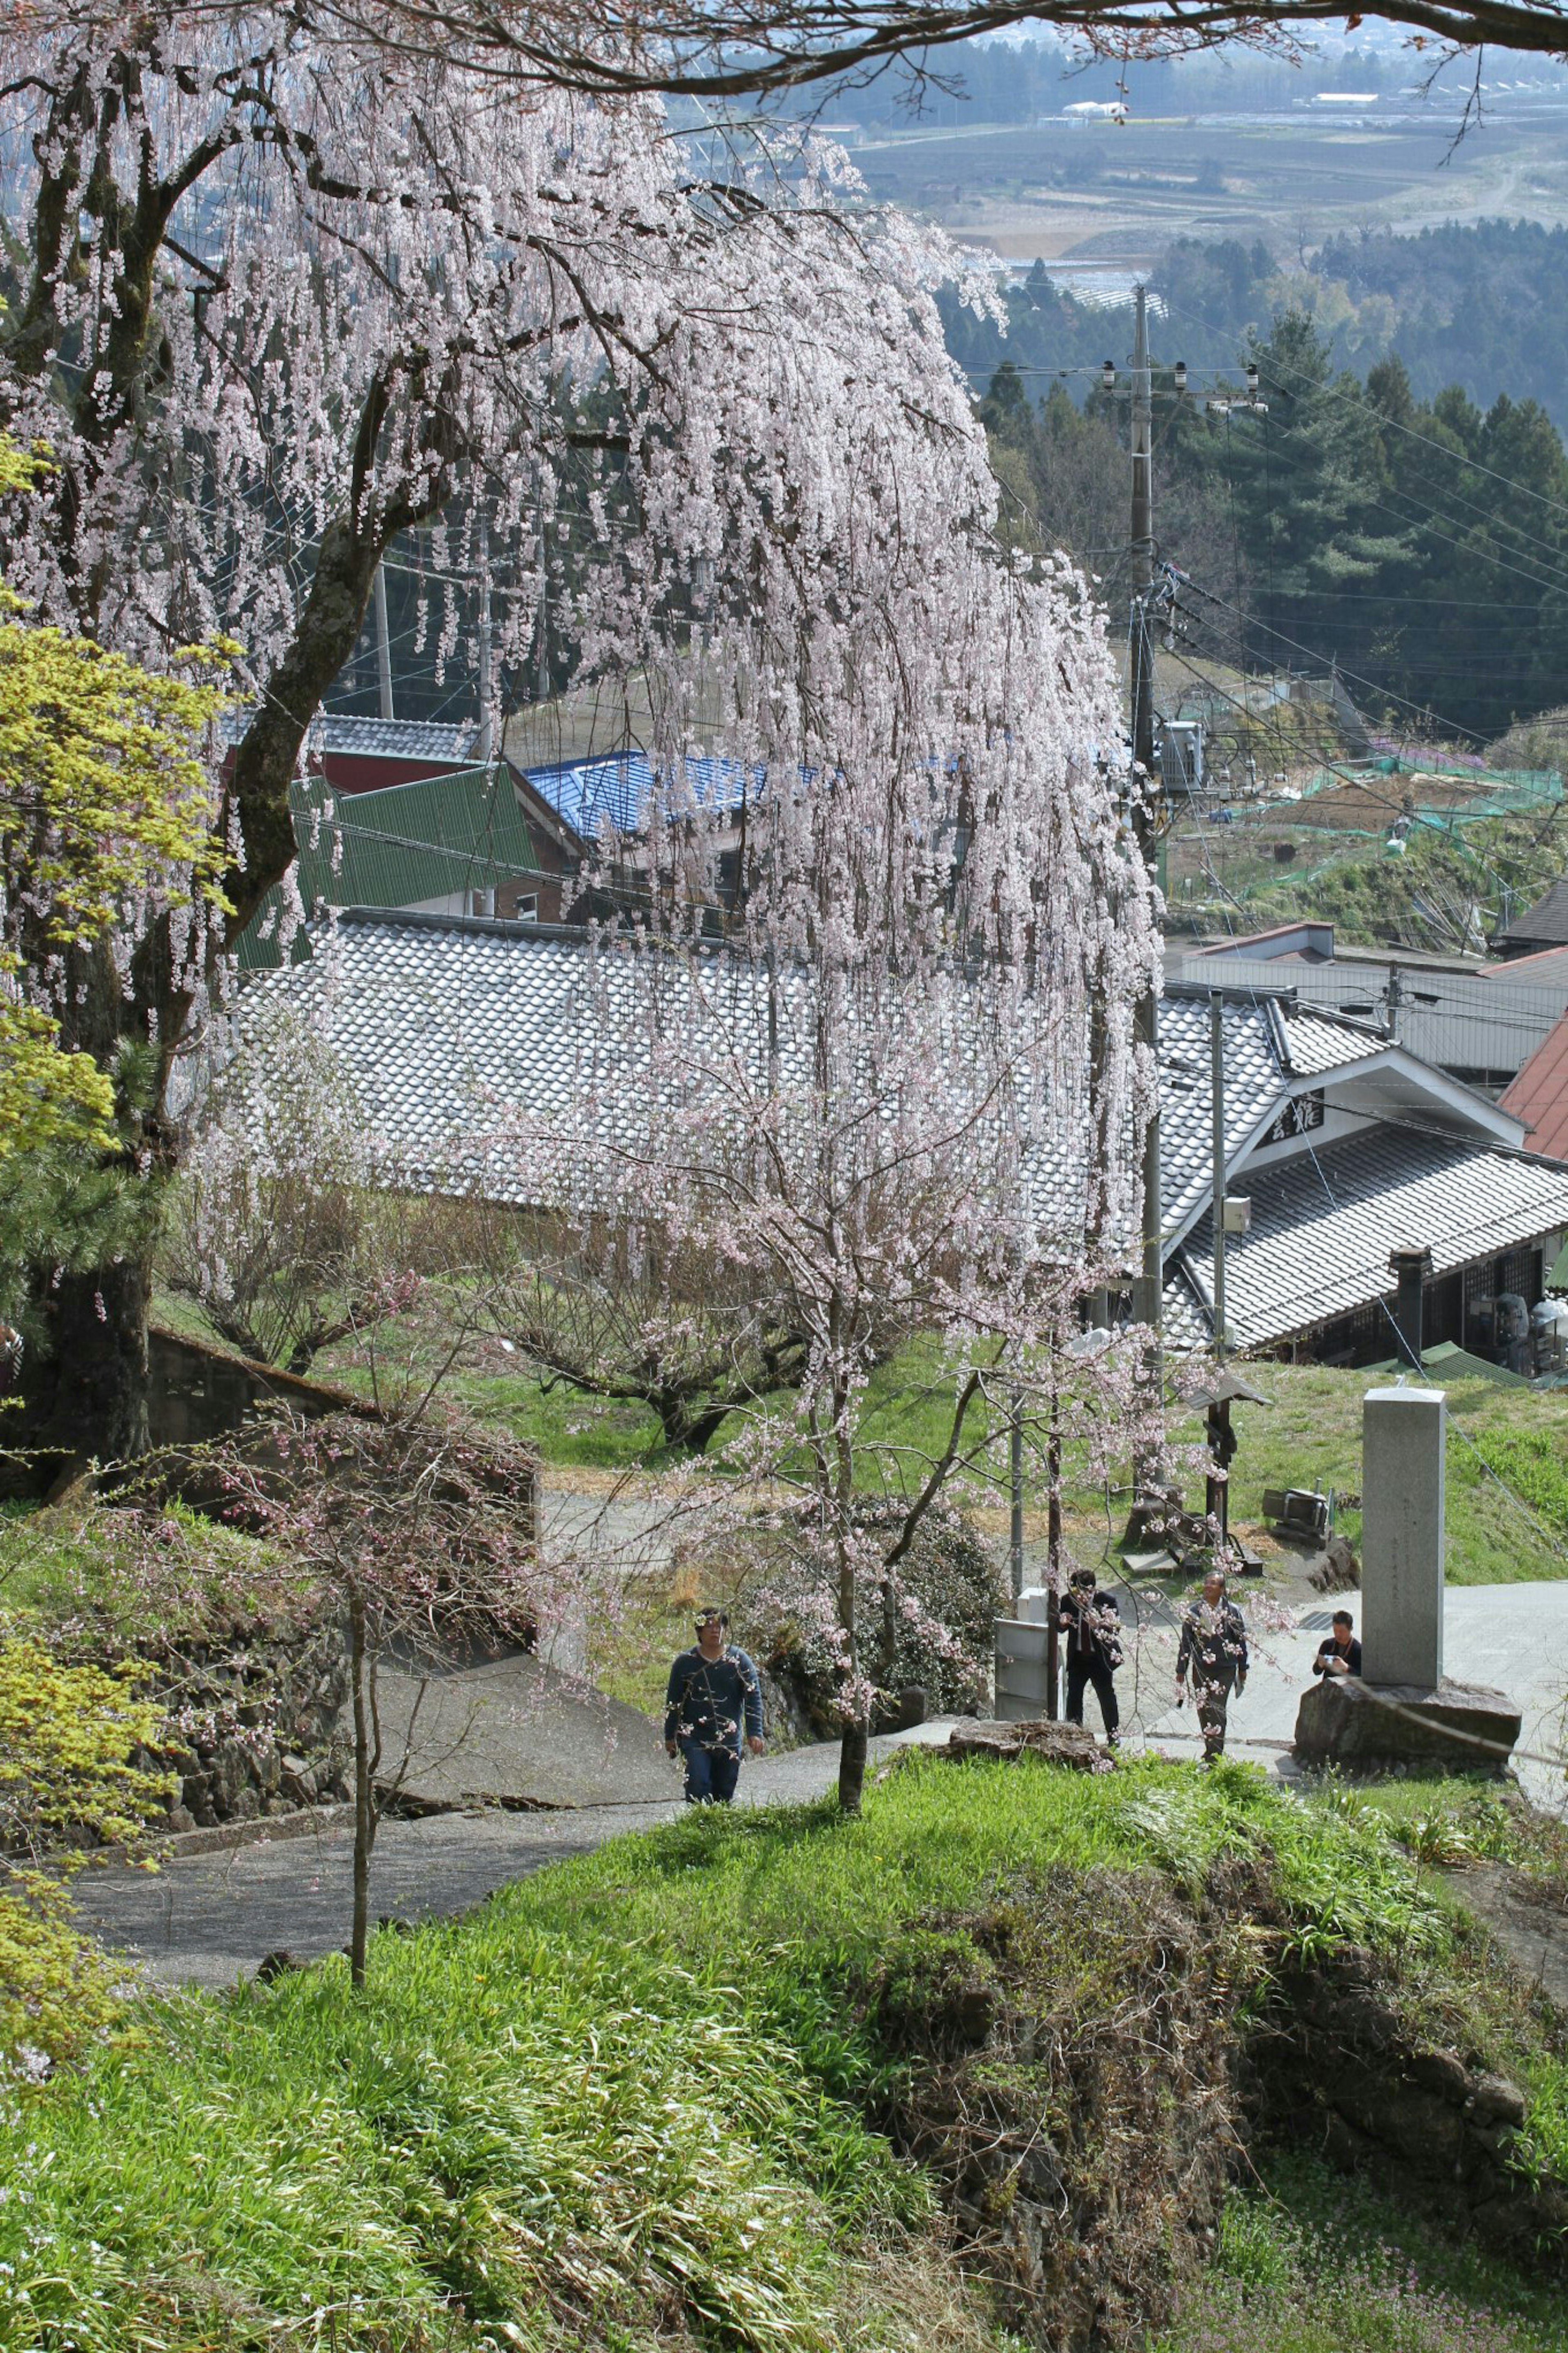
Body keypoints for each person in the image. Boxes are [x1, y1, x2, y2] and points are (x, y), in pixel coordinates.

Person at [664, 1607, 765, 1803]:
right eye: (709, 1626)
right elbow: (674, 1701)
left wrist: (755, 1732)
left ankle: (718, 1830)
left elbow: (753, 1696)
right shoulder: (685, 1663)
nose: (715, 1630)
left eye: (720, 1626)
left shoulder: (739, 1661)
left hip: (729, 1740)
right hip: (695, 1739)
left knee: (725, 1790)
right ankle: (697, 1828)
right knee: (698, 1784)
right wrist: (670, 1735)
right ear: (699, 1632)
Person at [1176, 1568, 1249, 1762]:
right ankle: (1209, 1749)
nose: (1208, 1586)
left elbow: (1240, 1641)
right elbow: (1186, 1642)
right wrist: (1181, 1669)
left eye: (1213, 1583)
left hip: (1225, 1668)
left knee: (1217, 1709)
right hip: (1201, 1669)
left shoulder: (1232, 1612)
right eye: (1207, 1583)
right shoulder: (1194, 1612)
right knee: (1203, 1709)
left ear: (1223, 1590)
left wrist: (1243, 1667)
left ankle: (1216, 1754)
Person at [1059, 1565, 1122, 1745]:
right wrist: (1063, 1623)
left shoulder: (1106, 1600)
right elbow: (1057, 1626)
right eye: (1075, 1591)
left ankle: (1114, 1737)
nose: (1079, 1597)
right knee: (1074, 1697)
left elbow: (1116, 1629)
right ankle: (1075, 1736)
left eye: (1082, 1592)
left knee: (1107, 1697)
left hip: (1099, 1658)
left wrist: (1100, 1625)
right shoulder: (1068, 1601)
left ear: (1092, 1589)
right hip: (1078, 1657)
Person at [1312, 1608, 1363, 1680]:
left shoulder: (1358, 1650)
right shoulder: (1327, 1645)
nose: (1338, 1635)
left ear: (1351, 1629)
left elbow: (1362, 1675)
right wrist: (1320, 1664)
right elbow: (1316, 1672)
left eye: (1342, 1631)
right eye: (1335, 1630)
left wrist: (1347, 1668)